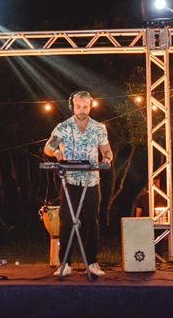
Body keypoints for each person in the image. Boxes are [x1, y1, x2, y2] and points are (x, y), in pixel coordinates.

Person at [44, 90, 113, 277]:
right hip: (70, 180)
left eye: (85, 107)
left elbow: (107, 150)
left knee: (92, 221)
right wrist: (57, 153)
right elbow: (49, 148)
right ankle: (65, 264)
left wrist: (107, 158)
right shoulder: (63, 127)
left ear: (91, 106)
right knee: (67, 221)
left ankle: (92, 262)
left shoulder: (99, 128)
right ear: (72, 106)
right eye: (78, 107)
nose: (81, 110)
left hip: (92, 181)